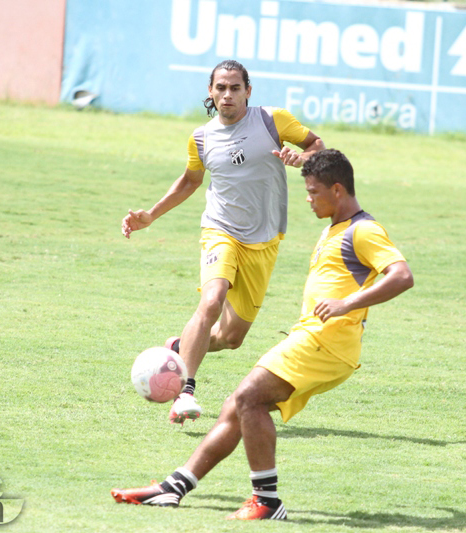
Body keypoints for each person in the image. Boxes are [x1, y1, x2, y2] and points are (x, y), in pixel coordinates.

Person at [112, 149, 414, 520]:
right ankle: (173, 488)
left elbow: (402, 275)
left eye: (313, 191)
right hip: (316, 340)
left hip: (325, 342)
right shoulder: (335, 228)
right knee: (236, 407)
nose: (307, 198)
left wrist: (346, 304)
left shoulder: (363, 230)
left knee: (248, 399)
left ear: (338, 190)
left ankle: (266, 501)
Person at [121, 59, 325, 425]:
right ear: (210, 93)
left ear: (248, 90)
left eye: (235, 88)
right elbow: (189, 182)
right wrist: (150, 215)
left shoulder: (271, 120)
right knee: (212, 299)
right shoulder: (200, 138)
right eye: (220, 88)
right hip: (221, 230)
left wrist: (303, 157)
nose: (227, 95)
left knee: (231, 338)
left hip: (265, 238)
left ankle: (180, 349)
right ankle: (185, 391)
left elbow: (316, 146)